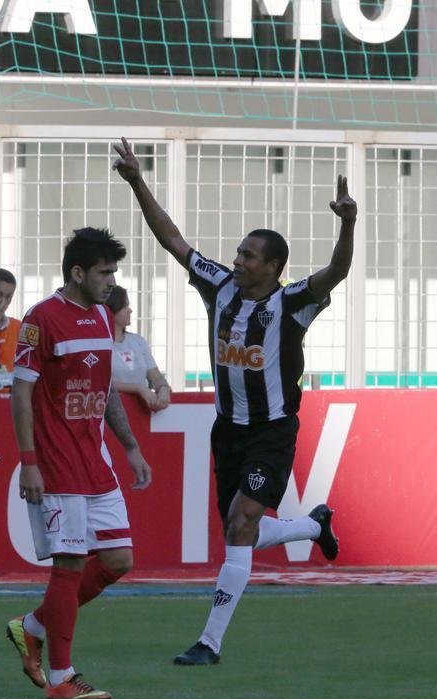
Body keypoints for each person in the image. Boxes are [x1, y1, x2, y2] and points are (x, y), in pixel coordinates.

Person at [113, 136, 354, 666]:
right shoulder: (219, 287)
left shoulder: (293, 303)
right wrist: (137, 182)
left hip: (272, 430)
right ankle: (314, 525)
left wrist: (347, 224)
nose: (237, 259)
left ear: (273, 267)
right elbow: (173, 240)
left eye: (248, 254)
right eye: (239, 252)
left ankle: (209, 642)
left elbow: (336, 273)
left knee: (242, 523)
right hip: (227, 429)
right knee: (239, 527)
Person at [5, 227, 153, 699]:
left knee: (117, 560)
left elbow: (105, 387)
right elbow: (21, 390)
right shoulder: (41, 319)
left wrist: (129, 444)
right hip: (57, 462)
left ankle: (31, 627)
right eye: (104, 272)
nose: (111, 281)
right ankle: (61, 678)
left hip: (96, 461)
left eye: (113, 272)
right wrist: (29, 462)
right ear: (77, 273)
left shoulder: (103, 318)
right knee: (69, 563)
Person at [104, 284, 172, 411]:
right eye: (124, 306)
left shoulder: (138, 341)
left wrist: (163, 388)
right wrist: (138, 388)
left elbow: (155, 376)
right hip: (111, 415)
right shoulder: (98, 344)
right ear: (111, 309)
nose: (130, 310)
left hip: (141, 414)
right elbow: (100, 382)